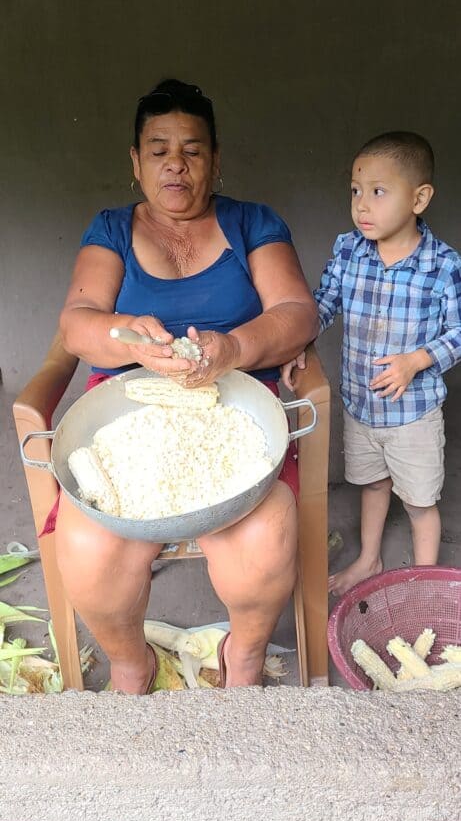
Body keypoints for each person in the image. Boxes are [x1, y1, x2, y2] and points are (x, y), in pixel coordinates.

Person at [57, 78, 319, 692]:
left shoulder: (253, 223)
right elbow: (76, 322)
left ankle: (243, 658)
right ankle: (132, 662)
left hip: (235, 414)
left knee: (261, 539)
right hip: (131, 423)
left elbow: (296, 312)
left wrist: (233, 350)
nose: (175, 164)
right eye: (158, 150)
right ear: (136, 162)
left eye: (193, 150)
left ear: (215, 159)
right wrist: (127, 338)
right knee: (90, 548)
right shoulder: (111, 229)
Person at [283, 131, 461, 596]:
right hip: (361, 406)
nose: (362, 204)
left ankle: (422, 581)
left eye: (378, 191)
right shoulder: (349, 250)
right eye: (356, 191)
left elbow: (458, 332)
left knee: (420, 502)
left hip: (414, 415)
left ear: (419, 198)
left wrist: (416, 361)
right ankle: (369, 559)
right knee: (373, 486)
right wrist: (300, 340)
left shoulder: (442, 266)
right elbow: (324, 302)